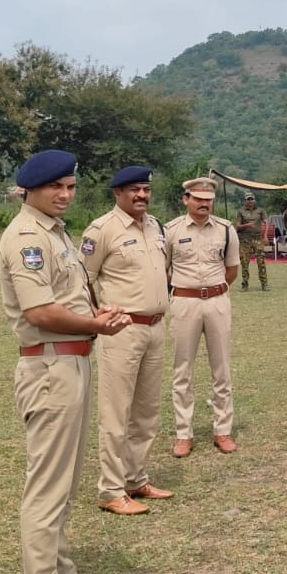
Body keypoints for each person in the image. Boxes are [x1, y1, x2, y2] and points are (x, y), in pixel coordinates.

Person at [0, 150, 129, 574]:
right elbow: (41, 314)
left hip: (71, 359)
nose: (66, 195)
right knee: (47, 487)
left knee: (67, 480)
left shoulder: (55, 233)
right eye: (57, 187)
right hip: (50, 364)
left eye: (72, 187)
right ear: (29, 188)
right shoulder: (27, 238)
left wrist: (95, 319)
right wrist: (95, 322)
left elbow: (66, 299)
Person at [83, 167, 174, 516]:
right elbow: (83, 278)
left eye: (146, 189)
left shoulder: (156, 226)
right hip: (121, 329)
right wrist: (96, 317)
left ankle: (136, 478)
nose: (141, 195)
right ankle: (110, 489)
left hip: (154, 327)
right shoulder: (102, 229)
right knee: (116, 412)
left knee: (147, 411)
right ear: (117, 193)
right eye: (134, 189)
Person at [165, 178, 241, 457]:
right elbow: (164, 270)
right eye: (197, 199)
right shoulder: (171, 230)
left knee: (221, 368)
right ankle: (184, 433)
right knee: (182, 369)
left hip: (218, 300)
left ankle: (223, 430)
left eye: (208, 199)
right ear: (186, 199)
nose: (203, 204)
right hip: (184, 302)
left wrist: (213, 290)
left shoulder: (226, 230)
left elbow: (231, 269)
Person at [235, 193, 269, 292]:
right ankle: (245, 284)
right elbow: (237, 226)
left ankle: (264, 283)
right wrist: (246, 225)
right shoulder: (241, 211)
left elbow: (266, 222)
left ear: (254, 200)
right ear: (245, 200)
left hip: (257, 239)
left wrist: (265, 236)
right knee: (244, 262)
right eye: (248, 199)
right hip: (245, 240)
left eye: (251, 199)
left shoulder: (260, 210)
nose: (250, 201)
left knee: (261, 261)